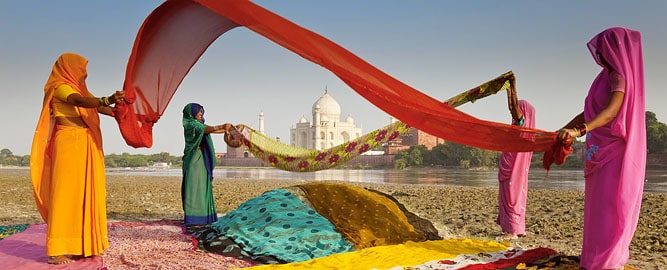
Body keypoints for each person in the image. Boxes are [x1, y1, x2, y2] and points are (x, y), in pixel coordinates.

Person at [557, 27, 645, 269]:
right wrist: (560, 131)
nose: (601, 53)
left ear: (618, 50)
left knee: (608, 212)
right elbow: (589, 112)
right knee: (596, 211)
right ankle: (594, 260)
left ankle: (607, 262)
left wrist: (579, 131)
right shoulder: (603, 78)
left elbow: (610, 113)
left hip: (613, 154)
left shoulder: (619, 77)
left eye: (606, 48)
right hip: (596, 153)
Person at [30, 53, 125, 264]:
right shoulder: (60, 87)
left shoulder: (80, 89)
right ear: (69, 69)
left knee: (85, 194)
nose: (85, 75)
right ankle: (56, 250)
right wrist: (107, 98)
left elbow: (96, 106)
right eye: (82, 70)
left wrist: (118, 112)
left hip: (85, 144)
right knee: (65, 195)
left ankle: (82, 245)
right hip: (69, 144)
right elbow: (79, 101)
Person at [495, 77, 536, 241]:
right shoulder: (518, 125)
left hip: (513, 165)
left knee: (512, 195)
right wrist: (507, 89)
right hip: (510, 162)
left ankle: (513, 230)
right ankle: (517, 228)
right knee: (513, 194)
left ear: (525, 112)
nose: (515, 109)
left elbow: (513, 108)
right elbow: (511, 107)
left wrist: (513, 86)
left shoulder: (521, 122)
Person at [181, 103, 231, 227]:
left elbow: (211, 129)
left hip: (201, 159)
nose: (200, 114)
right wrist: (222, 126)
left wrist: (226, 128)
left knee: (203, 186)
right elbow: (208, 129)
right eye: (198, 112)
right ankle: (193, 218)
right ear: (191, 113)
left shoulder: (199, 125)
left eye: (201, 112)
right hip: (194, 159)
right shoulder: (190, 124)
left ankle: (204, 217)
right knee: (194, 187)